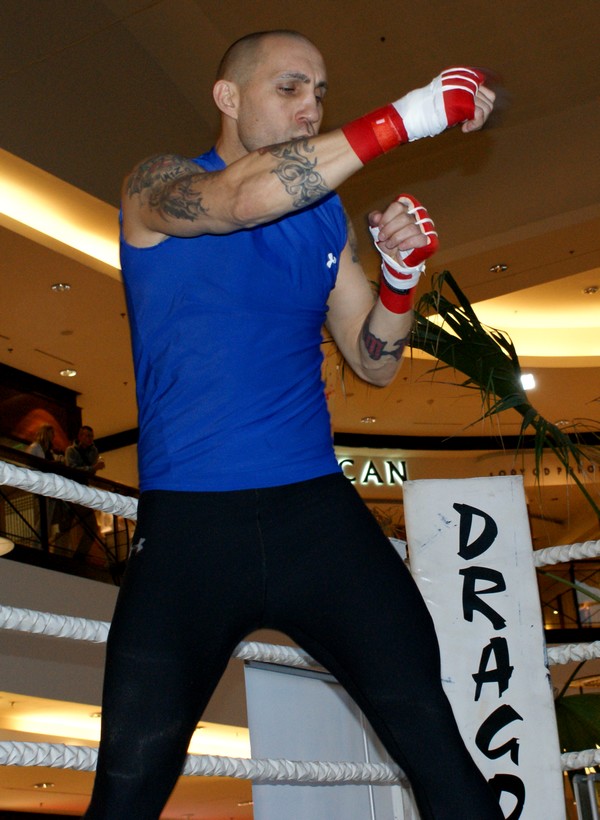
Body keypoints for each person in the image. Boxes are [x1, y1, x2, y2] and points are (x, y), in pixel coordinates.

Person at [85, 31, 502, 819]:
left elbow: (373, 361)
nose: (312, 106)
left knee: (439, 751)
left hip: (317, 519)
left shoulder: (323, 218)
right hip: (192, 531)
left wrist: (401, 283)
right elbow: (240, 202)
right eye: (290, 88)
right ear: (228, 97)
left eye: (320, 91)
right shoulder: (156, 185)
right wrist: (411, 115)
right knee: (127, 791)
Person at [63, 425, 105, 558]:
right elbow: (72, 469)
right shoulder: (71, 451)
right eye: (87, 436)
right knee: (66, 527)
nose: (89, 439)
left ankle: (78, 557)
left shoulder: (93, 451)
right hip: (72, 490)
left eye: (91, 436)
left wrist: (93, 468)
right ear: (80, 436)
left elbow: (89, 472)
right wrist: (93, 468)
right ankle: (63, 556)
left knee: (91, 526)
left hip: (83, 491)